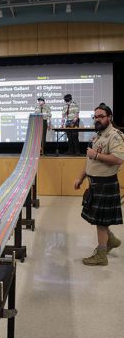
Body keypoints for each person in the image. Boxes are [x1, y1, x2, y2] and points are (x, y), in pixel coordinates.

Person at [74, 103, 124, 266]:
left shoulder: (115, 135)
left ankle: (101, 255)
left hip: (106, 184)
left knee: (101, 222)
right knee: (98, 219)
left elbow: (118, 159)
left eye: (101, 116)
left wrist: (95, 154)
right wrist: (80, 177)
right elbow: (89, 160)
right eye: (95, 117)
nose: (97, 119)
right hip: (95, 184)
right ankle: (112, 240)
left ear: (109, 117)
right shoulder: (98, 136)